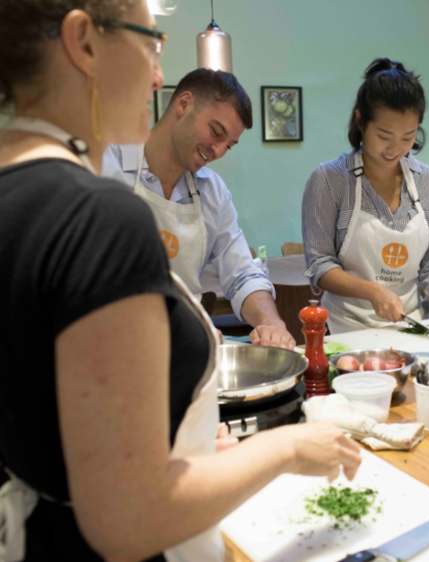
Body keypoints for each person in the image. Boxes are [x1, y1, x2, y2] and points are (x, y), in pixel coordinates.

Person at [0, 1, 360, 560]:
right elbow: (129, 518)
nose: (157, 75)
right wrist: (289, 448)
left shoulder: (14, 185)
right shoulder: (101, 211)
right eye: (151, 42)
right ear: (84, 42)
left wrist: (188, 438)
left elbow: (52, 411)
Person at [103, 68, 295, 349]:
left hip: (186, 349)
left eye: (228, 146)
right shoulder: (106, 165)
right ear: (184, 104)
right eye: (216, 132)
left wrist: (270, 322)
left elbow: (242, 273)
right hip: (113, 348)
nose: (217, 150)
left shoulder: (212, 192)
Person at [302, 58, 429, 334]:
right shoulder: (329, 180)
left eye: (407, 137)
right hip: (345, 328)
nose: (394, 148)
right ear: (360, 122)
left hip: (411, 327)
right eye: (384, 135)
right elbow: (319, 265)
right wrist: (373, 292)